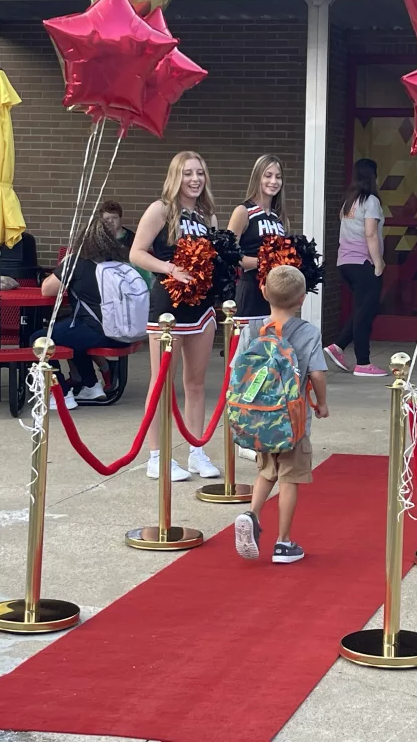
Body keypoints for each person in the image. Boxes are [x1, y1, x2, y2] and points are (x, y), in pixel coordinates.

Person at [130, 151, 222, 482]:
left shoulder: (208, 216)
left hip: (201, 308)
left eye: (200, 173)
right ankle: (157, 457)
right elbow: (136, 252)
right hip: (168, 306)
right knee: (162, 383)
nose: (195, 179)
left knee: (196, 383)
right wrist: (170, 268)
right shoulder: (161, 209)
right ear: (175, 177)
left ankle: (197, 451)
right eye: (188, 173)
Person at [233, 265, 328, 564]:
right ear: (302, 299)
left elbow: (237, 371)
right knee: (290, 478)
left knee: (266, 472)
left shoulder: (251, 330)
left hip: (261, 419)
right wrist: (322, 403)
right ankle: (284, 543)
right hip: (293, 422)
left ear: (263, 292)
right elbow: (317, 374)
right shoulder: (308, 332)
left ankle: (252, 514)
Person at [32, 217, 129, 410]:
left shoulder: (77, 262)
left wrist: (66, 263)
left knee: (39, 339)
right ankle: (91, 386)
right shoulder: (120, 263)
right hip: (123, 333)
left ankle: (60, 393)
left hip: (99, 331)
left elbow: (47, 289)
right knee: (72, 335)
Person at [324, 158, 387, 377]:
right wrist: (378, 262)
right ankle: (363, 362)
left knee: (362, 309)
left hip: (345, 263)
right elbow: (370, 233)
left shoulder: (348, 202)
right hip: (363, 262)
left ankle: (338, 346)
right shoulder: (371, 201)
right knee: (365, 314)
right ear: (372, 176)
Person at [229, 154, 289, 332]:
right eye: (268, 175)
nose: (273, 181)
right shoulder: (243, 211)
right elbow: (228, 254)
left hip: (275, 294)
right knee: (248, 347)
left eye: (278, 177)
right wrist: (264, 262)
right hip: (250, 292)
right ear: (257, 177)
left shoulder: (280, 218)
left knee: (273, 347)